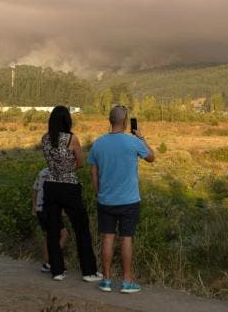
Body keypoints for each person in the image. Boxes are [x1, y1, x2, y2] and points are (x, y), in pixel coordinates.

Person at [88, 105, 155, 294]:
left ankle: (107, 280)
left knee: (107, 238)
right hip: (129, 201)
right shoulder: (133, 142)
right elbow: (152, 157)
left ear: (110, 121)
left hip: (106, 200)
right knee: (126, 239)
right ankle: (126, 281)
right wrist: (141, 137)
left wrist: (99, 192)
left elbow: (93, 171)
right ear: (125, 122)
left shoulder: (98, 143)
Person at [40, 105, 101, 282]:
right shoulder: (71, 139)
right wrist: (67, 170)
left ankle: (57, 271)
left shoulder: (45, 138)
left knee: (52, 229)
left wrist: (57, 171)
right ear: (68, 120)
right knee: (81, 228)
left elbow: (50, 162)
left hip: (50, 185)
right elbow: (80, 162)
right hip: (69, 186)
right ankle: (89, 272)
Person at [31, 167, 68, 273]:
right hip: (50, 209)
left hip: (40, 209)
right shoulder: (61, 172)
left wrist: (34, 206)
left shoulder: (42, 171)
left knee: (47, 237)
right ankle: (54, 261)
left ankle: (47, 264)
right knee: (63, 234)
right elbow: (61, 193)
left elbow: (34, 189)